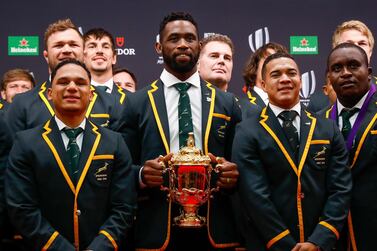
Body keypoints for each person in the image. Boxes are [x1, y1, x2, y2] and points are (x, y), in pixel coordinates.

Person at [119, 12, 242, 250]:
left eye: (190, 38)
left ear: (200, 44)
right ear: (158, 46)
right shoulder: (137, 102)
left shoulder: (226, 102)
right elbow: (121, 167)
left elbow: (240, 165)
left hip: (215, 228)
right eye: (174, 38)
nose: (183, 44)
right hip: (156, 227)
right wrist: (142, 174)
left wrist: (233, 175)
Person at [5, 59, 136, 251]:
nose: (72, 87)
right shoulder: (26, 143)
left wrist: (100, 247)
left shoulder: (114, 142)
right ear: (50, 94)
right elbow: (22, 208)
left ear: (92, 95)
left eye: (81, 83)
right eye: (63, 82)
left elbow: (124, 206)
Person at [233, 52, 352, 251]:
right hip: (269, 244)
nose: (285, 79)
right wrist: (284, 244)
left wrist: (319, 240)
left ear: (301, 80)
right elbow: (254, 196)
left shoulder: (328, 128)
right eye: (276, 74)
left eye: (292, 73)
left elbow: (340, 189)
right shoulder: (247, 131)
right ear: (262, 84)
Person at [6, 19, 124, 138]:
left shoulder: (111, 103)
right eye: (59, 45)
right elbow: (11, 153)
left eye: (73, 44)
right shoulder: (22, 104)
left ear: (84, 53)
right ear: (46, 56)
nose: (67, 50)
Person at [322, 43, 377, 251]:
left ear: (368, 73)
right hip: (333, 234)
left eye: (353, 66)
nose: (345, 73)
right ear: (329, 77)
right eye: (337, 68)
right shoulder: (318, 122)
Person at [83, 28, 127, 103]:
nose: (99, 51)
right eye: (92, 46)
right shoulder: (74, 97)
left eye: (105, 47)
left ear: (114, 58)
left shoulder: (129, 100)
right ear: (82, 57)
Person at [242, 42, 288, 108]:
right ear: (255, 67)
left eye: (279, 63)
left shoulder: (293, 108)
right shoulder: (240, 107)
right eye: (269, 60)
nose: (275, 66)